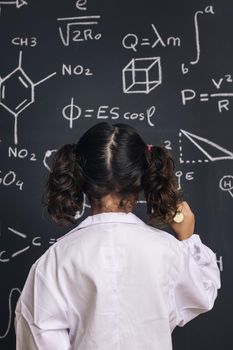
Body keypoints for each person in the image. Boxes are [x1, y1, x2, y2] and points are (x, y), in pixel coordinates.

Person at [14, 122, 221, 350]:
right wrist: (187, 240)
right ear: (140, 180)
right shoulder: (168, 251)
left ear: (82, 179)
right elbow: (202, 295)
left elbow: (39, 337)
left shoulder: (55, 261)